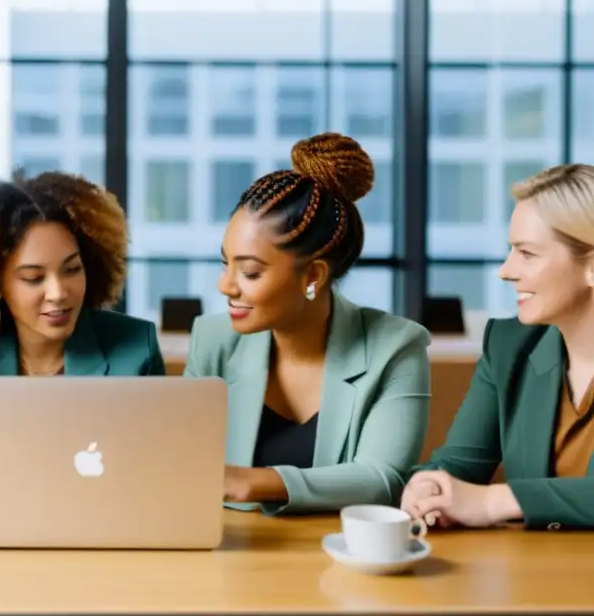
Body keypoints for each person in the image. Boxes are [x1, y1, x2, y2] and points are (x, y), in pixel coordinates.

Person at [184, 133, 431, 515]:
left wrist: (249, 481)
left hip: (344, 557)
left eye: (249, 272)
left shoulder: (395, 348)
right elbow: (182, 466)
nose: (225, 285)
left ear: (313, 276)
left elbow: (382, 479)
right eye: (225, 263)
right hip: (234, 553)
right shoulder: (212, 341)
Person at [0, 171, 166, 503]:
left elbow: (155, 467)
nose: (58, 293)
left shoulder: (136, 345)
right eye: (34, 277)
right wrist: (28, 475)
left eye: (71, 269)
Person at [403, 164, 594, 531]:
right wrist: (429, 486)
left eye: (527, 253)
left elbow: (482, 497)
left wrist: (495, 500)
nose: (505, 271)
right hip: (535, 579)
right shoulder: (509, 346)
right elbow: (459, 465)